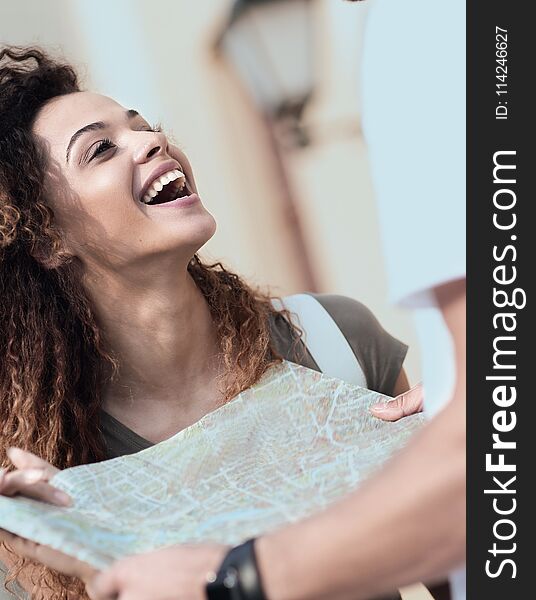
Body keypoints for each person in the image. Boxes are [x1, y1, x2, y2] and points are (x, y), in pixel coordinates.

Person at [61, 0, 466, 598]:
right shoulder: (57, 462)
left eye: (142, 123)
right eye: (100, 149)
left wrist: (471, 428)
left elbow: (452, 556)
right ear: (43, 236)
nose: (150, 140)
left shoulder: (334, 341)